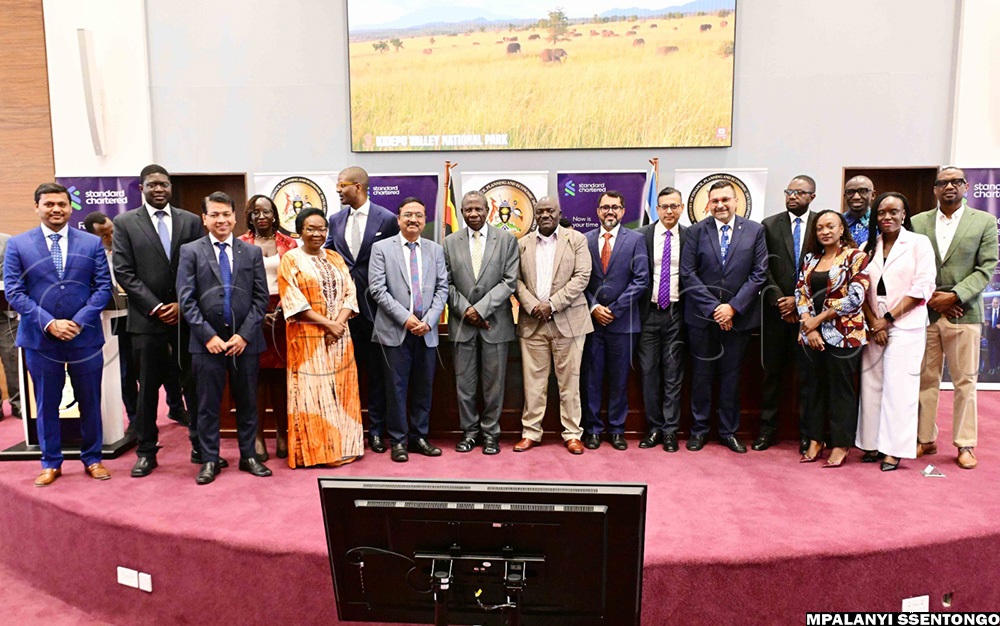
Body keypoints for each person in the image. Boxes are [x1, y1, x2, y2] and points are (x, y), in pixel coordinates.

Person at [3, 183, 113, 486]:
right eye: (49, 204)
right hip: (40, 339)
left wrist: (78, 321)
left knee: (90, 400)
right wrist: (50, 323)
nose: (56, 209)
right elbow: (14, 291)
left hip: (84, 337)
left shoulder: (91, 243)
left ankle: (93, 458)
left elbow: (103, 287)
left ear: (70, 207)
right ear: (37, 207)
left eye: (62, 204)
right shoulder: (18, 245)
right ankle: (50, 462)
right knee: (46, 403)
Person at [113, 164, 204, 477]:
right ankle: (146, 451)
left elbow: (200, 265)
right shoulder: (125, 222)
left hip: (185, 318)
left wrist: (181, 303)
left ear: (170, 187)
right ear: (142, 188)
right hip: (146, 321)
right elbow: (124, 271)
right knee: (148, 388)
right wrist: (156, 306)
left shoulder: (190, 221)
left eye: (164, 184)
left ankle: (201, 446)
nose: (159, 189)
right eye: (152, 184)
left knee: (193, 385)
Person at [177, 192, 272, 484]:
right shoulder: (190, 251)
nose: (221, 220)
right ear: (204, 219)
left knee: (248, 401)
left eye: (226, 214)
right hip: (206, 344)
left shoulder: (251, 252)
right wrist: (208, 336)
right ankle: (209, 460)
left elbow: (260, 298)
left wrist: (244, 335)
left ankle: (249, 456)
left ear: (234, 217)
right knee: (207, 405)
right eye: (215, 215)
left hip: (245, 343)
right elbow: (186, 299)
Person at [911, 166, 999, 470]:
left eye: (956, 182)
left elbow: (986, 268)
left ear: (966, 187)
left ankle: (965, 444)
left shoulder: (984, 221)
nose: (949, 186)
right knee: (925, 378)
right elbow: (912, 266)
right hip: (926, 312)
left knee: (965, 381)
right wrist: (934, 297)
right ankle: (925, 438)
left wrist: (955, 296)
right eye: (943, 183)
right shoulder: (917, 222)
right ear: (935, 189)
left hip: (965, 312)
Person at [680, 181, 768, 454]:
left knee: (732, 378)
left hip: (739, 319)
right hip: (702, 318)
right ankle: (699, 430)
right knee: (701, 376)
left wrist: (732, 308)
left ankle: (729, 431)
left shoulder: (755, 231)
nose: (720, 205)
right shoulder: (695, 231)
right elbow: (688, 273)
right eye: (715, 200)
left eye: (725, 199)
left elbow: (759, 273)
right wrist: (715, 309)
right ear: (708, 203)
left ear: (736, 201)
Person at [278, 207, 364, 468]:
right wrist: (328, 325)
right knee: (313, 395)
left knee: (342, 391)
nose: (317, 234)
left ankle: (345, 447)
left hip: (340, 337)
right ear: (300, 231)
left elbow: (350, 293)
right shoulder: (291, 259)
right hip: (307, 339)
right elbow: (293, 301)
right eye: (310, 229)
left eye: (321, 229)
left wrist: (337, 325)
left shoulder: (335, 257)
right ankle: (317, 452)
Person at [857, 193, 936, 471]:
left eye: (893, 212)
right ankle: (871, 443)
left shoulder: (918, 243)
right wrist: (873, 322)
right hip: (873, 324)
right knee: (872, 384)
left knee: (899, 388)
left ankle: (893, 450)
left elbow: (923, 287)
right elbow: (859, 289)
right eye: (881, 212)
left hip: (905, 324)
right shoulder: (868, 246)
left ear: (904, 214)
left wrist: (887, 320)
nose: (887, 217)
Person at [324, 166, 399, 454]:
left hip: (376, 310)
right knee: (343, 373)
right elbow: (328, 255)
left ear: (358, 186)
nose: (338, 190)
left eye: (342, 185)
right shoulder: (335, 219)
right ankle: (347, 430)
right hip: (341, 313)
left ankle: (377, 431)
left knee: (377, 375)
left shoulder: (387, 219)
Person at [369, 198, 448, 463]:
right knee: (396, 389)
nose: (413, 219)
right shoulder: (381, 248)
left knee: (423, 387)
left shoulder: (435, 250)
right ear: (399, 219)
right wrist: (406, 319)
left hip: (427, 331)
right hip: (395, 331)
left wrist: (430, 320)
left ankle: (419, 437)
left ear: (425, 219)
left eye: (419, 215)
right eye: (408, 215)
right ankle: (398, 441)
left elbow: (442, 289)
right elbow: (377, 289)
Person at [513, 197, 593, 455]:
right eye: (540, 211)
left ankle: (572, 434)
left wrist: (553, 304)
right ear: (535, 215)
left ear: (560, 213)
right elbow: (515, 280)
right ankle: (530, 432)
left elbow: (582, 276)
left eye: (550, 211)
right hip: (533, 323)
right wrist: (532, 305)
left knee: (570, 383)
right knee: (533, 383)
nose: (545, 215)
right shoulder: (522, 244)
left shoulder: (576, 240)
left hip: (569, 322)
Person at [443, 190, 518, 455]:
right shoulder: (450, 242)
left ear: (488, 211)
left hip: (495, 323)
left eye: (478, 209)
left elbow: (509, 281)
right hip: (462, 324)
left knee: (493, 385)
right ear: (462, 212)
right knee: (464, 384)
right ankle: (469, 433)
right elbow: (446, 282)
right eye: (468, 209)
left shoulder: (507, 240)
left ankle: (490, 434)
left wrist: (481, 309)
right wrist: (466, 310)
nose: (473, 213)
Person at [795, 210, 869, 467]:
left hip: (845, 335)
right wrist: (810, 327)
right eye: (820, 228)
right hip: (811, 336)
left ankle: (840, 443)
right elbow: (801, 293)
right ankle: (815, 439)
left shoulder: (855, 257)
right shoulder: (810, 259)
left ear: (841, 229)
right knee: (812, 388)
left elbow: (856, 297)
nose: (825, 232)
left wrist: (819, 319)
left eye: (830, 226)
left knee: (841, 390)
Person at [582, 192, 649, 450]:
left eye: (615, 207)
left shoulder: (636, 240)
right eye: (605, 207)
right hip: (592, 323)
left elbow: (641, 279)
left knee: (620, 379)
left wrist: (614, 309)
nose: (610, 211)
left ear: (623, 211)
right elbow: (579, 279)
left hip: (624, 323)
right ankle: (593, 430)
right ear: (597, 211)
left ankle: (617, 429)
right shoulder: (584, 240)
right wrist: (594, 307)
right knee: (592, 378)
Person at [757, 176, 818, 453]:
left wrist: (799, 302)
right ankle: (767, 431)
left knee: (807, 377)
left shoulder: (821, 224)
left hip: (810, 317)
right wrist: (780, 300)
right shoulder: (769, 225)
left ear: (812, 196)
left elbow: (825, 268)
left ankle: (808, 433)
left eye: (799, 192)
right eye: (789, 192)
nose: (792, 196)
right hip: (776, 314)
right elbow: (762, 267)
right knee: (771, 376)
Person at [239, 194, 297, 461]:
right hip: (252, 314)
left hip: (284, 314)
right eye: (255, 212)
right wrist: (257, 314)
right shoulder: (241, 243)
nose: (261, 216)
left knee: (281, 378)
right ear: (249, 217)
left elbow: (296, 281)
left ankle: (283, 434)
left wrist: (283, 308)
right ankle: (259, 435)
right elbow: (238, 285)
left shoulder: (289, 243)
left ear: (275, 214)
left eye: (266, 212)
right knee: (257, 378)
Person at [637, 187, 686, 452]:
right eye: (664, 206)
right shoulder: (641, 236)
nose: (669, 211)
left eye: (674, 206)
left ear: (681, 208)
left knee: (673, 374)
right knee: (648, 373)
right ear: (657, 209)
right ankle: (654, 428)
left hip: (677, 314)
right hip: (648, 314)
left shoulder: (691, 236)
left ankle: (670, 431)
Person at [83, 212, 137, 432]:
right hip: (109, 320)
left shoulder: (130, 249)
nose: (111, 237)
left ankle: (174, 406)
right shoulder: (89, 257)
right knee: (123, 371)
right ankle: (135, 416)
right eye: (104, 235)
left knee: (155, 365)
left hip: (137, 315)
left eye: (113, 231)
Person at [0, 233, 21, 420]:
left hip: (5, 313)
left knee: (12, 359)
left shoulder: (7, 241)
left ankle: (19, 404)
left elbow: (13, 274)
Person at [843, 175, 877, 249]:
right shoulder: (839, 222)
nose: (856, 197)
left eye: (862, 191)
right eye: (850, 192)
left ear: (873, 195)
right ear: (845, 196)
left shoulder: (879, 222)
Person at [987, 297, 1000, 374]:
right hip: (990, 335)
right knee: (991, 352)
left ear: (999, 303)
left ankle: (997, 366)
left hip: (999, 335)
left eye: (996, 303)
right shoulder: (988, 311)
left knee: (998, 351)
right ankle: (992, 367)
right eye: (993, 302)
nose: (994, 304)